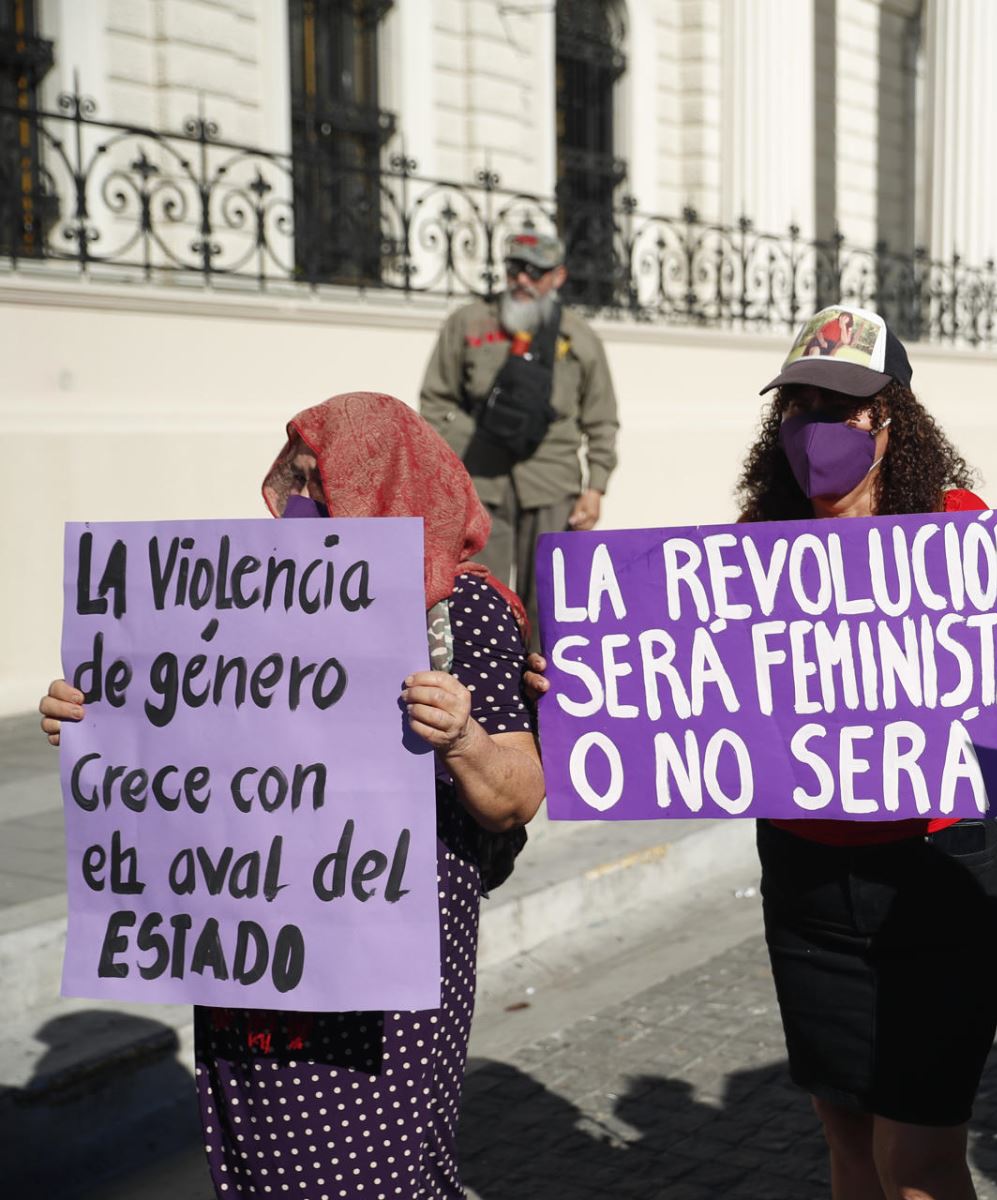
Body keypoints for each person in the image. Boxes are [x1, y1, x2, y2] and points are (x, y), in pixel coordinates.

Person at [39, 392, 545, 1200]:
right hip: (251, 950)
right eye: (296, 476)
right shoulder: (240, 599)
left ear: (388, 484)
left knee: (380, 1174)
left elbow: (517, 798)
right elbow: (177, 734)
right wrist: (96, 718)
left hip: (382, 971)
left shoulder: (465, 608)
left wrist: (464, 739)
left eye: (326, 478)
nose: (303, 499)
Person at [745, 303, 997, 1200]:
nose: (817, 426)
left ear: (893, 422)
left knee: (920, 1163)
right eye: (799, 404)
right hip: (808, 880)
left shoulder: (957, 531)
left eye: (844, 406)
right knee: (848, 1144)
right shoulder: (751, 554)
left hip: (941, 875)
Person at [419, 230, 620, 640]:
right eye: (515, 269)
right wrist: (464, 453)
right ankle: (484, 694)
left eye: (536, 271)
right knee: (477, 595)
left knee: (549, 600)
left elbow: (601, 418)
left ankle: (543, 694)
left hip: (552, 482)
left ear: (558, 276)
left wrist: (595, 487)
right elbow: (435, 401)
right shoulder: (469, 323)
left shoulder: (578, 337)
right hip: (481, 483)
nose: (523, 280)